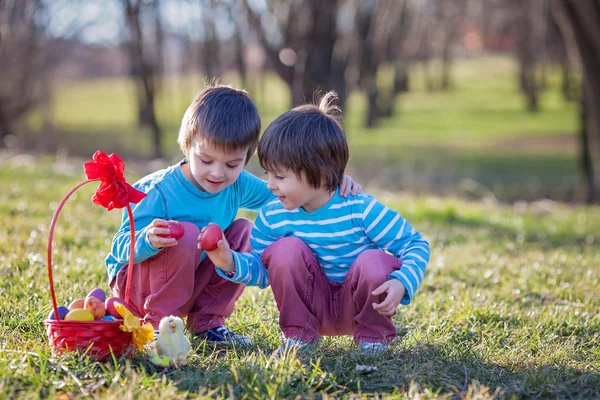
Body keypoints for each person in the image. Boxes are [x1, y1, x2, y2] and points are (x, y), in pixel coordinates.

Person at [106, 84, 361, 347]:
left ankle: (208, 322)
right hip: (138, 291)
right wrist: (147, 239)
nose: (217, 173)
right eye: (206, 160)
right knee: (187, 233)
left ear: (246, 158)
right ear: (187, 145)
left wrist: (330, 186)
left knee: (243, 231)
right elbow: (118, 251)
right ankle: (157, 326)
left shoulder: (236, 184)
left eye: (231, 164)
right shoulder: (157, 191)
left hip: (187, 284)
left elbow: (287, 195)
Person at [200, 92, 430, 353]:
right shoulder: (273, 215)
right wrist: (229, 262)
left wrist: (402, 281)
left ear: (320, 176)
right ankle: (299, 337)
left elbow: (415, 245)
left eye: (280, 176)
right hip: (312, 307)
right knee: (285, 250)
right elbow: (263, 270)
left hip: (357, 307)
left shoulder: (359, 208)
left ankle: (373, 340)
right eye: (269, 174)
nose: (270, 185)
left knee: (373, 261)